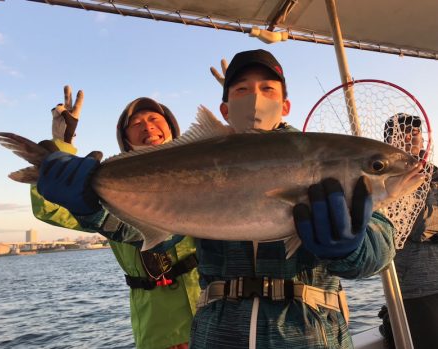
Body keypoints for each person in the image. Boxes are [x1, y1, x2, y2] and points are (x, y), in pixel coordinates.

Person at [35, 50, 398, 349]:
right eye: (241, 90)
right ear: (224, 110)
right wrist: (90, 208)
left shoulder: (324, 155)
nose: (255, 97)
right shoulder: (205, 155)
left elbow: (378, 250)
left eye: (267, 89)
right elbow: (142, 232)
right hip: (219, 334)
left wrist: (351, 248)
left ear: (285, 106)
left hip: (309, 333)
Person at [30, 88, 200, 349]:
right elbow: (51, 209)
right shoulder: (108, 185)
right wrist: (61, 142)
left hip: (219, 320)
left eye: (155, 119)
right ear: (125, 138)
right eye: (136, 123)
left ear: (171, 129)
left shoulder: (204, 173)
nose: (147, 126)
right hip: (159, 332)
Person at [379, 113, 438, 349]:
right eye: (402, 132)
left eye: (415, 132)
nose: (410, 136)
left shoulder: (435, 173)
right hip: (414, 292)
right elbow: (418, 225)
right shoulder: (385, 177)